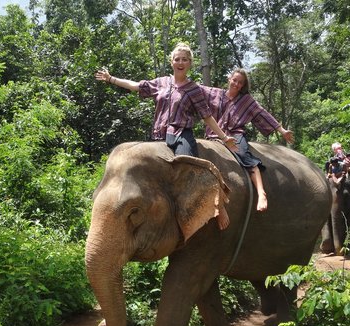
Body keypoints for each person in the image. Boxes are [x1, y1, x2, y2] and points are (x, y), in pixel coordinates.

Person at [95, 42, 238, 230]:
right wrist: (111, 79)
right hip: (159, 136)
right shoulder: (161, 82)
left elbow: (206, 116)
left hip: (181, 134)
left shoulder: (193, 89)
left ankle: (218, 205)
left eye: (185, 59)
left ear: (189, 63)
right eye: (177, 59)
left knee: (190, 167)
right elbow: (136, 86)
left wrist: (223, 137)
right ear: (172, 62)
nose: (180, 62)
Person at [202, 68, 294, 212]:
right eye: (235, 80)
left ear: (243, 85)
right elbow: (195, 89)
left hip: (235, 134)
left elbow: (262, 113)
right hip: (214, 135)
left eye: (240, 83)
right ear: (229, 79)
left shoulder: (246, 101)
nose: (236, 84)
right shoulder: (215, 93)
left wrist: (282, 130)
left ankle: (261, 193)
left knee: (244, 156)